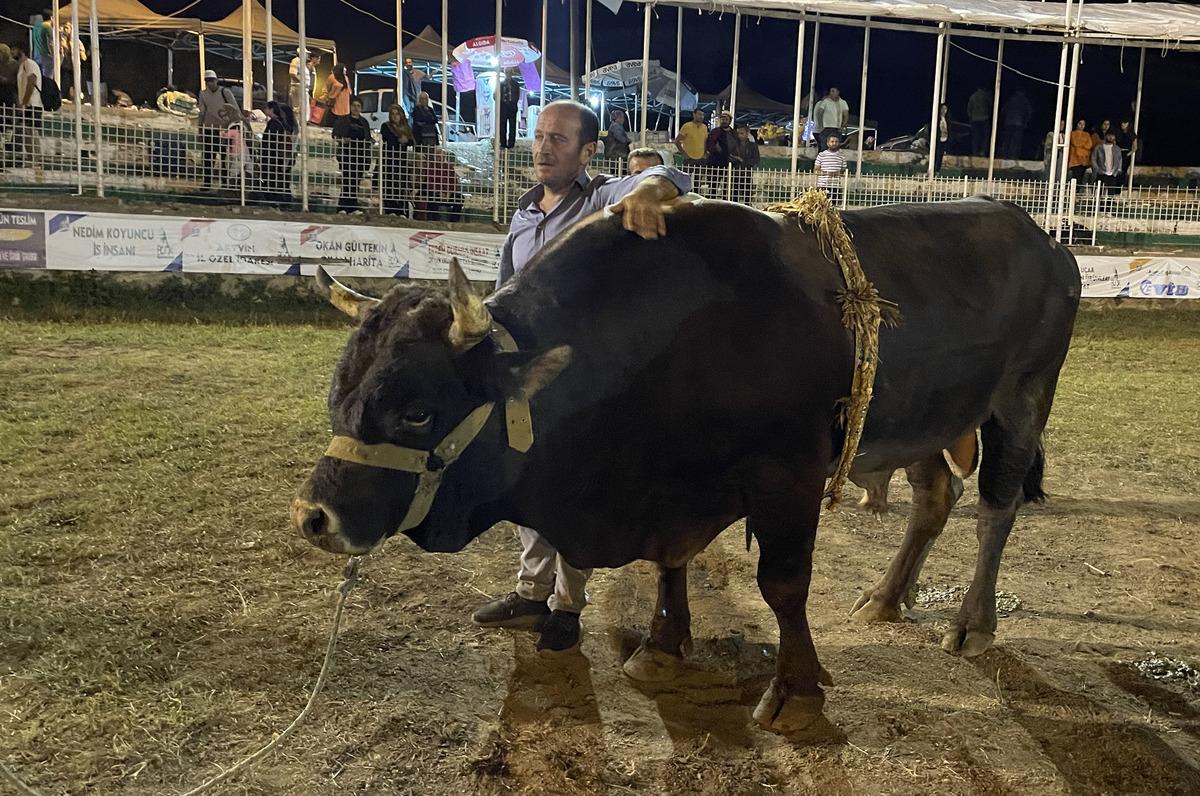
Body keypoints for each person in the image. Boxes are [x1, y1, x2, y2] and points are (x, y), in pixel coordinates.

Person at [471, 99, 692, 653]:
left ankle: (567, 608)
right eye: (539, 136)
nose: (544, 148)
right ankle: (530, 592)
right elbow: (504, 293)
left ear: (588, 151)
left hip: (583, 384)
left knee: (573, 487)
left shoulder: (600, 200)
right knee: (526, 481)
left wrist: (648, 188)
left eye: (559, 139)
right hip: (529, 379)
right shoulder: (523, 215)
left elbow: (674, 175)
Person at [196, 70, 236, 188]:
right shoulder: (203, 94)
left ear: (216, 80)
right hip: (210, 128)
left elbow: (234, 109)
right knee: (208, 157)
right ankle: (207, 182)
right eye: (208, 81)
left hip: (224, 129)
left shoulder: (225, 92)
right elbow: (202, 113)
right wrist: (200, 130)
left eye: (212, 80)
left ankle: (225, 182)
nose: (210, 83)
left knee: (224, 157)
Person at [332, 96, 372, 213]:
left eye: (358, 106)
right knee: (347, 181)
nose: (356, 108)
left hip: (360, 156)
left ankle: (352, 206)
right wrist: (343, 140)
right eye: (354, 105)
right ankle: (343, 206)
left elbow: (367, 138)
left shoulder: (364, 122)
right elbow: (335, 135)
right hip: (347, 154)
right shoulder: (343, 120)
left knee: (356, 181)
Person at [380, 103, 414, 215]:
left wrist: (406, 140)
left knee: (401, 185)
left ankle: (401, 210)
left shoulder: (406, 128)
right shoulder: (386, 126)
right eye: (393, 114)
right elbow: (387, 138)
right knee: (390, 184)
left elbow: (412, 141)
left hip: (402, 161)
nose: (395, 116)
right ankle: (390, 209)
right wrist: (399, 139)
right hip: (389, 160)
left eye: (397, 114)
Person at [260, 100, 296, 206]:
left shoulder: (274, 123)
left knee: (271, 178)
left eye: (266, 108)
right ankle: (284, 199)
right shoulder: (285, 123)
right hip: (282, 155)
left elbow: (270, 140)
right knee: (281, 178)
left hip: (272, 155)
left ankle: (274, 199)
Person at [14, 44, 42, 169]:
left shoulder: (29, 64)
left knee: (30, 131)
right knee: (26, 131)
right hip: (28, 104)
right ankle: (32, 158)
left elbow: (32, 81)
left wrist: (24, 102)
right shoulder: (23, 66)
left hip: (32, 104)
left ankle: (35, 160)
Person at [418, 149, 462, 222]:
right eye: (437, 157)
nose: (439, 159)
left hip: (447, 193)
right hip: (435, 193)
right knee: (431, 197)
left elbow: (453, 182)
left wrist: (448, 193)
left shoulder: (449, 168)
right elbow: (429, 182)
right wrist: (438, 192)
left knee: (459, 198)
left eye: (440, 157)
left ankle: (454, 221)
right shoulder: (431, 167)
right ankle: (434, 220)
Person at [813, 132, 847, 206]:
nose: (834, 143)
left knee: (834, 207)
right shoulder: (821, 155)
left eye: (836, 142)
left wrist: (836, 173)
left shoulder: (842, 156)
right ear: (828, 143)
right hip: (822, 185)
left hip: (835, 186)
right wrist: (827, 173)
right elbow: (816, 170)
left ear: (839, 143)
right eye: (832, 141)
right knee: (820, 206)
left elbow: (844, 170)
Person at [813, 87, 849, 152]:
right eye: (830, 91)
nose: (831, 93)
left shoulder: (843, 102)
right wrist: (821, 125)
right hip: (826, 128)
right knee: (824, 148)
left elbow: (846, 115)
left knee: (835, 148)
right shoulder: (826, 101)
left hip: (837, 129)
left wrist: (843, 126)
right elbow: (820, 114)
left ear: (838, 92)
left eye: (833, 91)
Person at [731, 125, 760, 204]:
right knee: (734, 196)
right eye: (738, 133)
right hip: (735, 173)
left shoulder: (753, 146)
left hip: (747, 173)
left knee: (747, 197)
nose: (739, 135)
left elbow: (756, 159)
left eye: (742, 133)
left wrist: (742, 161)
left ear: (747, 133)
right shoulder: (734, 145)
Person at [1000, 89, 1032, 159]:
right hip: (1019, 123)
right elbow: (1029, 112)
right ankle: (1014, 155)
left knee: (1007, 139)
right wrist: (1026, 121)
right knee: (1016, 141)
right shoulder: (1024, 101)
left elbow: (1003, 110)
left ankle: (1005, 155)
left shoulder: (1010, 100)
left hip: (1008, 122)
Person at [289, 50, 318, 119]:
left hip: (302, 88)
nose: (307, 56)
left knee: (303, 108)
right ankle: (298, 122)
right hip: (299, 87)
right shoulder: (296, 61)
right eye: (306, 54)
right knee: (300, 108)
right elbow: (292, 73)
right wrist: (302, 82)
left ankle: (301, 122)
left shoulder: (302, 63)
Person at [967, 86, 992, 157]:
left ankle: (975, 151)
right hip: (984, 118)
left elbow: (969, 109)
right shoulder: (986, 96)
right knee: (985, 136)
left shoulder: (972, 97)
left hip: (974, 119)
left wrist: (970, 118)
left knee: (975, 136)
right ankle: (983, 151)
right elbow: (990, 106)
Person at [499, 70, 521, 149]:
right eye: (507, 72)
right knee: (502, 125)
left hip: (512, 106)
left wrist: (513, 102)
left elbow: (517, 95)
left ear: (512, 73)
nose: (508, 74)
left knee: (512, 125)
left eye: (510, 72)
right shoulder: (501, 84)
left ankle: (511, 144)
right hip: (503, 106)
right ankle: (503, 143)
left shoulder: (515, 84)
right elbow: (496, 95)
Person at [324, 63, 351, 128]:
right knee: (332, 122)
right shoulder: (332, 77)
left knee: (344, 124)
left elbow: (349, 89)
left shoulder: (346, 78)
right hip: (335, 102)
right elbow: (327, 87)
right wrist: (328, 95)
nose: (345, 71)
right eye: (344, 70)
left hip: (345, 104)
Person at [933, 103, 950, 174]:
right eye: (942, 109)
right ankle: (934, 169)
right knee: (936, 154)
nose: (944, 110)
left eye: (945, 109)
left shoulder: (947, 119)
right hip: (938, 139)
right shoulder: (937, 118)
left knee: (940, 155)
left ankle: (937, 170)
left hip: (944, 139)